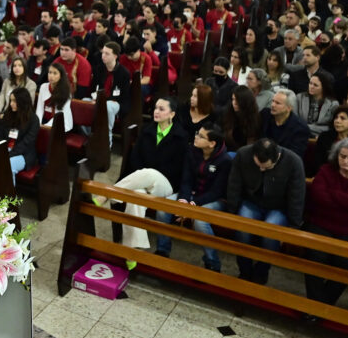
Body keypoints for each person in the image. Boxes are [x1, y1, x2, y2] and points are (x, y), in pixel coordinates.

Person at [92, 97, 187, 257]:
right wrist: (143, 178)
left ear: (172, 114)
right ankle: (132, 252)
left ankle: (108, 193)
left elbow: (177, 168)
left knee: (149, 173)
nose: (156, 111)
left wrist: (150, 173)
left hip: (166, 184)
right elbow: (135, 159)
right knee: (136, 201)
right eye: (156, 108)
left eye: (162, 109)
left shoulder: (181, 137)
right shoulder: (147, 130)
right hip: (142, 181)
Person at [304, 138, 348, 307]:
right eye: (342, 156)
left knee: (345, 262)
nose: (345, 161)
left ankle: (319, 306)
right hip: (321, 224)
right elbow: (318, 196)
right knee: (315, 256)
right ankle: (318, 307)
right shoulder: (326, 171)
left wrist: (333, 194)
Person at [227, 138, 306, 284]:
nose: (262, 169)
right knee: (243, 229)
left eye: (266, 167)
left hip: (278, 207)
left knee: (270, 234)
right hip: (252, 202)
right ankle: (245, 271)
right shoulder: (243, 154)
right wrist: (231, 213)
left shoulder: (293, 162)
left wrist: (293, 227)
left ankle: (261, 272)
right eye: (259, 166)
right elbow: (234, 184)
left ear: (277, 158)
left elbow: (297, 196)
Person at [156, 121, 231, 270]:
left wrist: (193, 205)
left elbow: (217, 191)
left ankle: (212, 262)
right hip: (191, 194)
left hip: (214, 199)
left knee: (200, 221)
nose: (196, 137)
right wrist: (183, 201)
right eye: (197, 133)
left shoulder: (225, 160)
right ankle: (162, 250)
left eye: (201, 136)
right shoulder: (192, 150)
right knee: (163, 208)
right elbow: (186, 179)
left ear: (211, 143)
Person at [0, 86, 40, 180]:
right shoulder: (8, 115)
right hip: (3, 150)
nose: (11, 104)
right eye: (10, 100)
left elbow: (27, 143)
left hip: (22, 154)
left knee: (6, 168)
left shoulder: (33, 119)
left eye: (14, 101)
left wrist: (8, 155)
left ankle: (6, 195)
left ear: (22, 102)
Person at [92, 42, 132, 145]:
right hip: (99, 99)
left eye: (107, 53)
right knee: (83, 103)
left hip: (116, 102)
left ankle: (107, 143)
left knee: (108, 106)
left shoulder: (123, 73)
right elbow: (94, 87)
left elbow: (124, 96)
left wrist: (107, 100)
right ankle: (91, 138)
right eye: (103, 53)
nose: (103, 56)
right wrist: (94, 97)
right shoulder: (99, 69)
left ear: (115, 56)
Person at [311, 106, 348, 177]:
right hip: (327, 175)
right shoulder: (325, 137)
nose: (337, 121)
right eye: (336, 117)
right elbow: (318, 162)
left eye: (342, 118)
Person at [260, 89, 309, 158]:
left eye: (277, 103)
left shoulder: (300, 128)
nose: (273, 105)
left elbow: (294, 156)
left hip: (284, 163)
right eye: (273, 101)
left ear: (289, 108)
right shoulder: (265, 115)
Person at [295, 69, 339, 136]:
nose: (311, 87)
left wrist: (304, 127)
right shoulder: (300, 98)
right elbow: (295, 120)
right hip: (299, 134)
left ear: (324, 87)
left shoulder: (333, 104)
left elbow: (329, 127)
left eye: (315, 85)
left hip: (321, 135)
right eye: (310, 83)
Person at [35, 62, 73, 131]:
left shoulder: (66, 91)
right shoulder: (43, 87)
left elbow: (60, 115)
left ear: (61, 76)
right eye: (50, 72)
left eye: (55, 73)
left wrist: (45, 127)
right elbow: (39, 109)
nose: (51, 76)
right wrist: (38, 125)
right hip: (45, 120)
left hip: (61, 122)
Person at [223, 86, 261, 151]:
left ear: (245, 101)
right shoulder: (229, 113)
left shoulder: (254, 118)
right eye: (233, 99)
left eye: (237, 100)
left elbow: (250, 146)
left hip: (243, 154)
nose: (234, 103)